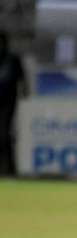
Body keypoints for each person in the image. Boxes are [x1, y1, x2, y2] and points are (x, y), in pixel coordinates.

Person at [0, 31, 29, 176]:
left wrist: (25, 90)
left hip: (8, 102)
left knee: (4, 135)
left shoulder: (12, 59)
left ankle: (10, 170)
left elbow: (22, 77)